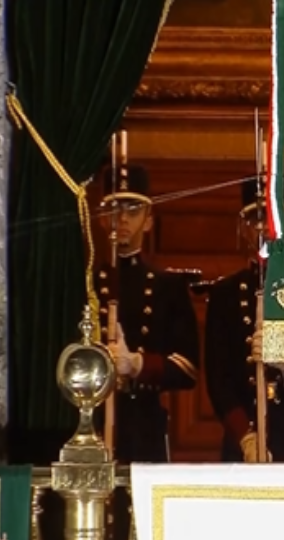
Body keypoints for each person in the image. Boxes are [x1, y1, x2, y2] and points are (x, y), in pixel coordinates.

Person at [204, 177, 284, 462]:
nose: (261, 227)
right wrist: (245, 435)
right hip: (242, 437)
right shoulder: (224, 294)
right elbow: (217, 379)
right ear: (242, 228)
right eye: (253, 218)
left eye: (271, 218)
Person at [94, 163, 201, 463]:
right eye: (114, 209)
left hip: (144, 425)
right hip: (92, 424)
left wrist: (137, 364)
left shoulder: (168, 287)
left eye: (133, 210)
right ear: (102, 219)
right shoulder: (85, 286)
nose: (123, 219)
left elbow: (188, 368)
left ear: (149, 220)